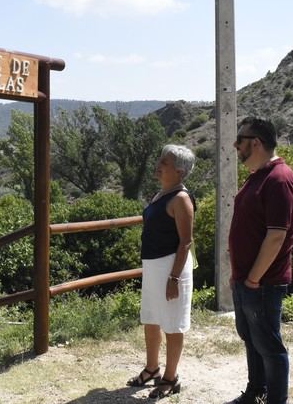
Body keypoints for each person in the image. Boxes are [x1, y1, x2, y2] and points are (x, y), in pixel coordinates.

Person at [227, 117, 293, 404]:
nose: (236, 146)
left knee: (269, 346)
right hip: (247, 280)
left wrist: (253, 279)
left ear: (255, 142)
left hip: (262, 283)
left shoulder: (279, 179)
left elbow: (276, 236)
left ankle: (275, 400)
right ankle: (255, 392)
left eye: (240, 140)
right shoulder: (261, 175)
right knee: (252, 339)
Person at [127, 144, 196, 399]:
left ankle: (170, 377)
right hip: (155, 266)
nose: (158, 165)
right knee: (151, 318)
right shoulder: (161, 194)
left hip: (171, 268)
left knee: (173, 323)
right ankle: (152, 368)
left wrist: (174, 278)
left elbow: (185, 242)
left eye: (164, 162)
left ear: (179, 171)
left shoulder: (181, 199)